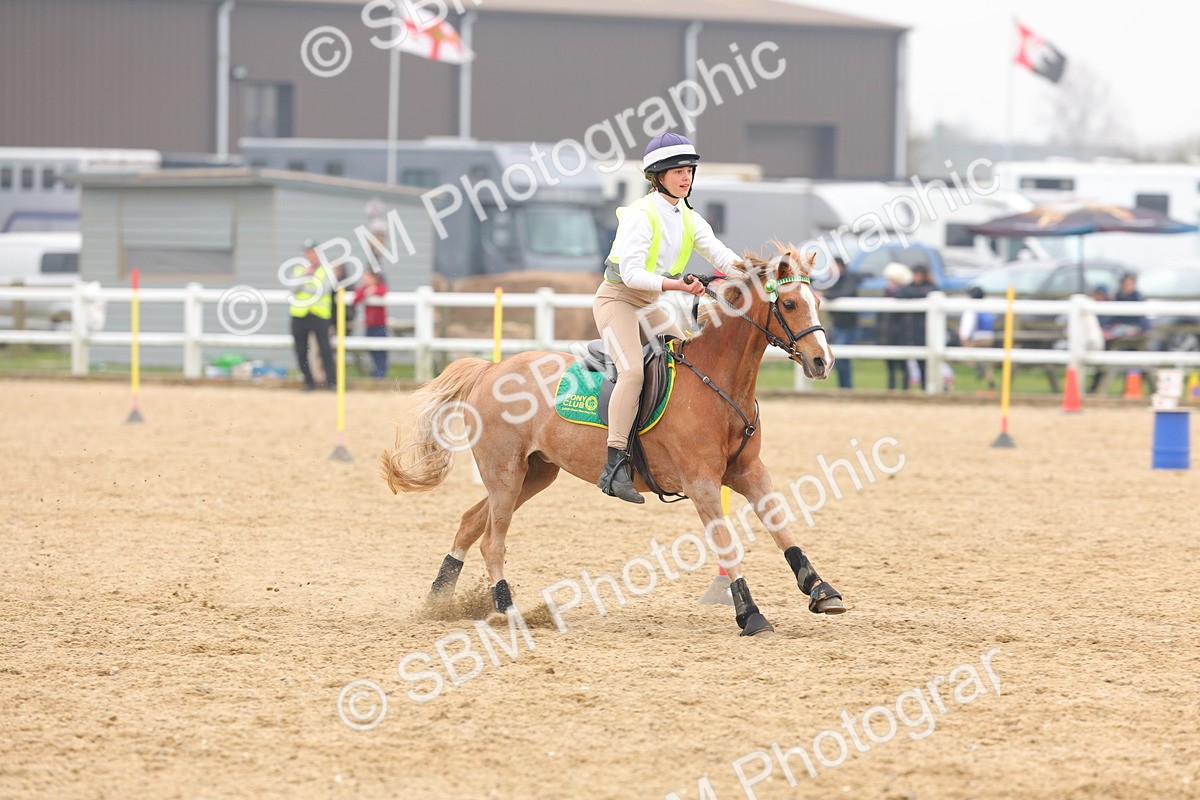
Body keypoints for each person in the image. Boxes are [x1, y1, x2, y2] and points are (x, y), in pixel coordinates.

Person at [593, 132, 744, 503]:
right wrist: (678, 286)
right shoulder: (640, 215)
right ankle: (614, 465)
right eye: (677, 171)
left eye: (689, 171)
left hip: (650, 303)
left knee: (687, 362)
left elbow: (723, 257)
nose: (685, 177)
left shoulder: (689, 217)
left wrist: (762, 275)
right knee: (633, 372)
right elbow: (630, 275)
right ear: (657, 176)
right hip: (618, 300)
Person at [289, 241, 336, 391]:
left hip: (319, 315)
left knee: (325, 350)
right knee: (301, 350)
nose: (310, 255)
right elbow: (293, 288)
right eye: (307, 252)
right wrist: (306, 277)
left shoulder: (326, 270)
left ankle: (331, 382)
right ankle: (308, 382)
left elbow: (323, 290)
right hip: (300, 314)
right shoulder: (299, 269)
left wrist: (305, 286)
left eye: (312, 252)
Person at [821, 257, 859, 389]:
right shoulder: (836, 280)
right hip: (837, 324)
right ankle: (844, 387)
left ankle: (846, 387)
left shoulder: (849, 278)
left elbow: (845, 293)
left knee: (842, 359)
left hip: (847, 325)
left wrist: (825, 295)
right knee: (838, 359)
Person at [896, 263, 936, 389]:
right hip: (908, 329)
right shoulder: (909, 287)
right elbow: (901, 293)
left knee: (923, 363)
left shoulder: (931, 287)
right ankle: (905, 388)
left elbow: (928, 293)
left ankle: (925, 387)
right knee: (904, 363)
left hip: (923, 330)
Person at [879, 261, 913, 391]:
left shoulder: (904, 292)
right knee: (890, 365)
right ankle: (891, 388)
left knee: (903, 365)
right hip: (889, 332)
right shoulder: (887, 292)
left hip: (901, 333)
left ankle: (905, 388)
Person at [958, 285, 997, 394]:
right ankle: (988, 384)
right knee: (984, 363)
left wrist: (964, 338)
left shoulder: (972, 308)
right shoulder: (987, 306)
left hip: (977, 338)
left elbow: (968, 324)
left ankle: (984, 384)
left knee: (976, 362)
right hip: (988, 337)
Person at [353, 268, 390, 380]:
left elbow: (383, 291)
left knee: (380, 350)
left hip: (380, 326)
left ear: (375, 279)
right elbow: (356, 299)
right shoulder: (364, 289)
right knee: (371, 349)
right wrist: (366, 292)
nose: (365, 280)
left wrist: (374, 290)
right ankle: (377, 371)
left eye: (367, 278)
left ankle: (380, 373)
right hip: (370, 325)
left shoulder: (380, 288)